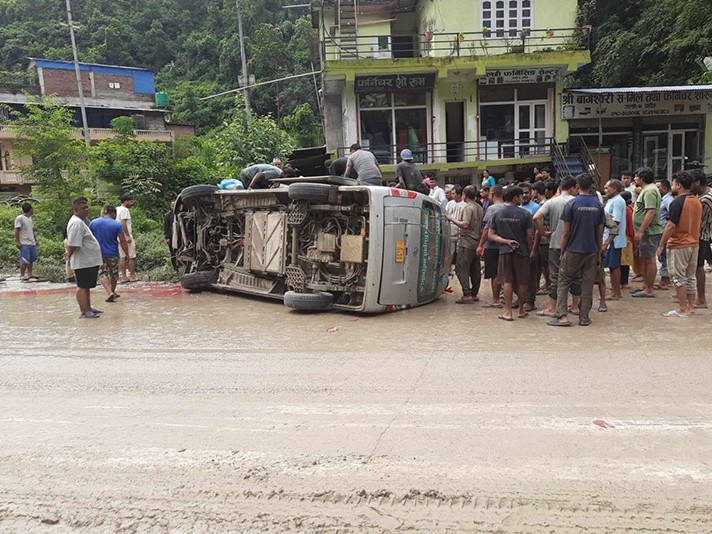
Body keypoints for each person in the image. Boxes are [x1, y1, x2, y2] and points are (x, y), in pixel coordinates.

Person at [548, 173, 604, 327]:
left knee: (564, 280)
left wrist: (562, 250)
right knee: (587, 283)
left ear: (577, 186)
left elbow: (566, 232)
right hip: (591, 250)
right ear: (592, 185)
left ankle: (562, 316)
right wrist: (599, 252)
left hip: (573, 249)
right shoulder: (598, 205)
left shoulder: (571, 205)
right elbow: (600, 233)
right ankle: (584, 317)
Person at [655, 171, 702, 318]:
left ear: (679, 185)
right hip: (694, 243)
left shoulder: (678, 202)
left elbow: (671, 225)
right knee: (690, 276)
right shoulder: (697, 201)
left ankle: (682, 308)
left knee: (678, 277)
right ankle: (691, 306)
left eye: (674, 184)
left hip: (679, 243)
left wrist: (661, 244)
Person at [533, 177, 577, 317]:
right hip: (574, 245)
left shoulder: (551, 202)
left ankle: (553, 308)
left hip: (555, 244)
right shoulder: (576, 202)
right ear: (572, 188)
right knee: (575, 276)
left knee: (555, 277)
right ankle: (575, 306)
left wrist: (543, 233)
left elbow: (536, 218)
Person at [488, 186, 534, 321]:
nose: (522, 198)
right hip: (522, 252)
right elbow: (529, 236)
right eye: (520, 196)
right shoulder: (525, 214)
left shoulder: (497, 214)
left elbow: (491, 235)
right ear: (515, 198)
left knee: (507, 281)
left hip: (505, 252)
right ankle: (520, 310)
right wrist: (530, 251)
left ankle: (508, 312)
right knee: (522, 282)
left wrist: (506, 241)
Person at [64, 197, 103, 319]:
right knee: (82, 286)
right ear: (76, 209)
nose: (86, 210)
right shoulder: (76, 223)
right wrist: (68, 255)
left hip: (88, 260)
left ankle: (88, 308)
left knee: (87, 286)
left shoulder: (80, 222)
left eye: (87, 207)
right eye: (83, 208)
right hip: (83, 261)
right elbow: (74, 243)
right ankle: (84, 311)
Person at [447, 185, 484, 304]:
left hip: (466, 242)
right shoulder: (479, 207)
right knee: (475, 269)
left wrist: (450, 219)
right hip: (476, 242)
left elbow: (465, 224)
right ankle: (474, 293)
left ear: (465, 195)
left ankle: (467, 294)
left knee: (460, 268)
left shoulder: (469, 208)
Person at [631, 167, 663, 298]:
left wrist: (641, 230)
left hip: (649, 232)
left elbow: (651, 211)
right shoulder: (647, 190)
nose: (634, 179)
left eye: (636, 176)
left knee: (649, 259)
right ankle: (645, 286)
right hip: (646, 232)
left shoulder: (650, 191)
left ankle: (649, 289)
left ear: (642, 178)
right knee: (644, 258)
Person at [90, 205, 130, 303]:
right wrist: (127, 254)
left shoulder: (93, 223)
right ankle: (112, 291)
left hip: (98, 253)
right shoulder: (116, 224)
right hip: (113, 253)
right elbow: (122, 241)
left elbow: (89, 238)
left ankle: (110, 293)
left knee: (102, 272)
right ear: (113, 213)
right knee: (114, 273)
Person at [478, 184, 505, 307]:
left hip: (493, 246)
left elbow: (486, 229)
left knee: (494, 273)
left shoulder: (492, 209)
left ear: (492, 194)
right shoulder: (509, 207)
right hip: (506, 246)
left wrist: (480, 245)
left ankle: (496, 300)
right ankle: (506, 297)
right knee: (505, 272)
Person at [691, 169, 712, 309]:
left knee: (698, 267)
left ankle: (701, 298)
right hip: (704, 234)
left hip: (702, 235)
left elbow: (699, 222)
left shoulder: (705, 200)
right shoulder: (706, 194)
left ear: (698, 182)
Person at [602, 179, 627, 300]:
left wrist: (607, 240)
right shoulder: (612, 200)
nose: (605, 190)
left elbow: (615, 220)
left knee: (614, 266)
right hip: (609, 237)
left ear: (615, 189)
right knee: (612, 266)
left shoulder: (617, 201)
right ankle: (614, 291)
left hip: (613, 239)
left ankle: (616, 292)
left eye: (607, 188)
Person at [656, 178, 674, 290]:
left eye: (658, 187)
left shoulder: (668, 200)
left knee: (664, 254)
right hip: (661, 230)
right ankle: (664, 278)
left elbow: (673, 214)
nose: (656, 189)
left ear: (665, 188)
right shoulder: (662, 199)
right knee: (662, 255)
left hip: (665, 231)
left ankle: (666, 279)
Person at [116, 194, 137, 284]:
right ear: (126, 201)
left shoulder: (117, 209)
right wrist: (127, 235)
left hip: (118, 235)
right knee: (131, 256)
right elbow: (123, 222)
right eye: (131, 201)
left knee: (122, 256)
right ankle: (132, 276)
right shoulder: (125, 210)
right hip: (125, 235)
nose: (132, 203)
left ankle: (124, 276)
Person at [14, 202, 38, 281]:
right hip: (24, 243)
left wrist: (35, 240)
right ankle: (22, 274)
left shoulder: (30, 219)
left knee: (31, 259)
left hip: (32, 242)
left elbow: (32, 230)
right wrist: (18, 242)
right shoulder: (20, 218)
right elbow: (17, 230)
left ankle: (30, 273)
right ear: (30, 209)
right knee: (24, 260)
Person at [620, 191, 636, 287]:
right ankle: (624, 281)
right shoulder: (630, 209)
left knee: (622, 261)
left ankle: (622, 281)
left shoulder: (625, 210)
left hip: (625, 236)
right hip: (629, 236)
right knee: (625, 261)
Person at [163, 198, 178, 273]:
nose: (173, 206)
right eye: (172, 205)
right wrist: (167, 237)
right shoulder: (168, 215)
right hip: (172, 236)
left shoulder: (180, 214)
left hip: (181, 236)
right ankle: (175, 269)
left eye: (174, 205)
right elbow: (166, 227)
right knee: (173, 253)